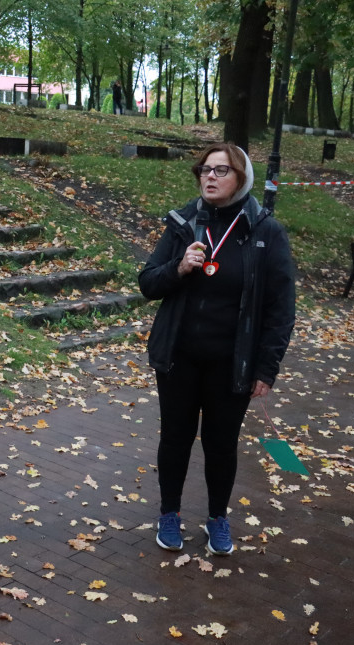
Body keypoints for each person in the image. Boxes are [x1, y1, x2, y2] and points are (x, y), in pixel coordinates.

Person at [138, 142, 295, 556]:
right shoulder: (183, 223)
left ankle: (217, 518)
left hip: (232, 362)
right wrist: (178, 267)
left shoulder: (265, 231)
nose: (209, 177)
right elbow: (148, 283)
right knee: (175, 438)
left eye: (221, 171)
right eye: (205, 170)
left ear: (241, 179)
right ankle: (169, 514)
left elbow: (281, 309)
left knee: (221, 444)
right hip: (179, 357)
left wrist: (267, 368)